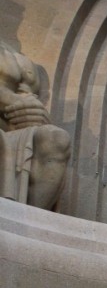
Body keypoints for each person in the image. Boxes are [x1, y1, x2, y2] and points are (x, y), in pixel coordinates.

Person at [0, 39, 71, 209]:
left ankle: (31, 220)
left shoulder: (18, 58)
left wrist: (37, 115)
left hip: (10, 129)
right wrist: (16, 103)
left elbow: (28, 98)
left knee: (55, 139)